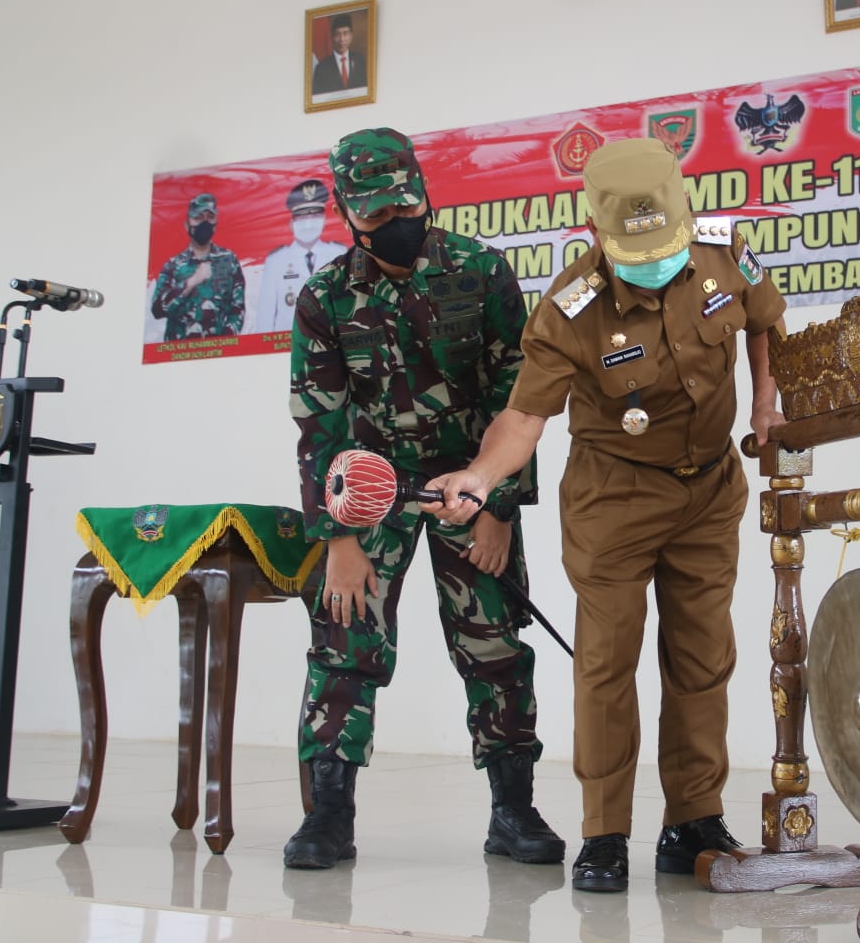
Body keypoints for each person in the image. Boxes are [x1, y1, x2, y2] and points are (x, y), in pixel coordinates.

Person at [425, 138, 788, 893]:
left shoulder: (724, 252)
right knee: (606, 665)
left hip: (709, 491)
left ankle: (693, 820)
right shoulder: (572, 307)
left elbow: (764, 322)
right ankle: (605, 832)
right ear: (595, 232)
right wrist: (479, 478)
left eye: (665, 246)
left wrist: (765, 403)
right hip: (614, 499)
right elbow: (525, 417)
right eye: (636, 253)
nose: (656, 263)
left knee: (703, 658)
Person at [283, 126, 564, 871]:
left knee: (495, 645)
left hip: (470, 485)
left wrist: (500, 506)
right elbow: (321, 426)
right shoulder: (324, 297)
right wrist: (340, 539)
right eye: (375, 215)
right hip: (369, 493)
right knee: (344, 644)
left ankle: (513, 810)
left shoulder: (480, 270)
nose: (395, 224)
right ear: (347, 212)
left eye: (405, 206)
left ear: (424, 192)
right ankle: (329, 815)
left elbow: (517, 395)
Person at [149, 193, 246, 340]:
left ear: (216, 223)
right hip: (180, 351)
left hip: (218, 350)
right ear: (187, 224)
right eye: (198, 218)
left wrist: (225, 342)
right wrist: (191, 283)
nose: (204, 223)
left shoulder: (228, 260)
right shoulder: (173, 265)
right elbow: (157, 310)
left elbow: (237, 309)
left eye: (210, 217)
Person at [257, 179, 346, 334]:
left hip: (335, 339)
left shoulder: (339, 253)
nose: (309, 223)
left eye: (315, 215)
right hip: (290, 343)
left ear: (324, 220)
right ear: (292, 222)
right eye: (302, 216)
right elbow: (265, 317)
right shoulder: (276, 261)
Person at [311, 13, 366, 95]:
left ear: (351, 35)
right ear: (332, 37)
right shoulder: (321, 68)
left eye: (345, 33)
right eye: (337, 34)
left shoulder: (360, 61)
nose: (342, 39)